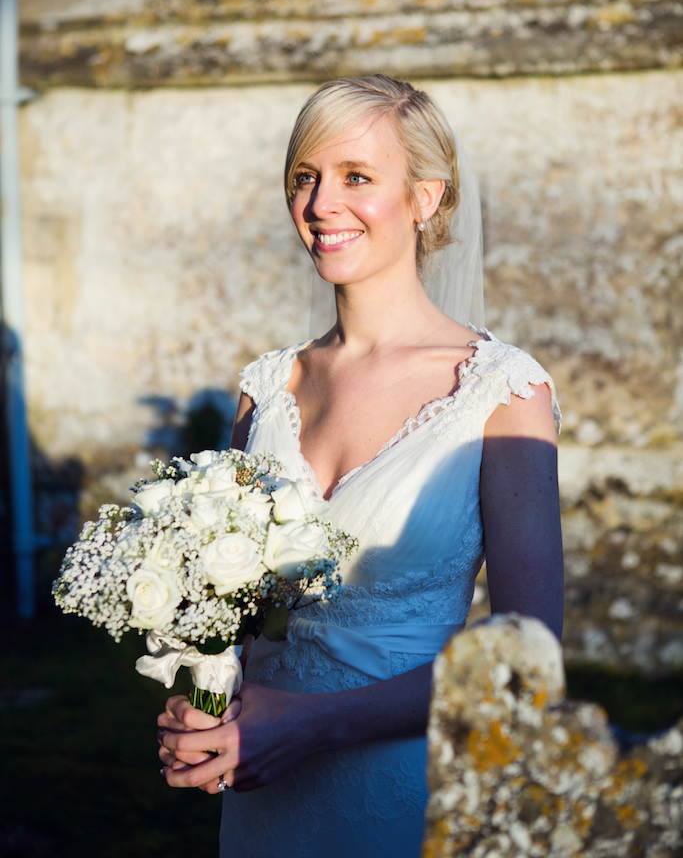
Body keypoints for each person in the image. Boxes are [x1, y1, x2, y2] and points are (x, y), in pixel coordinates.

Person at [157, 75, 563, 858]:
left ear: (424, 198)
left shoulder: (500, 391)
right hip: (264, 798)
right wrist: (202, 708)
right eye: (304, 177)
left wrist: (309, 724)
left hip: (403, 790)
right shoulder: (266, 389)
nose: (319, 204)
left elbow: (528, 656)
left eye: (356, 177)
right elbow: (228, 616)